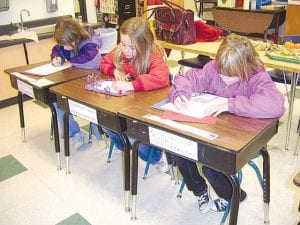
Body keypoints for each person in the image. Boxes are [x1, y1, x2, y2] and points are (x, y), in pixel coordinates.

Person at [168, 33, 285, 213]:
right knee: (180, 147)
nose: (223, 78)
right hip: (213, 129)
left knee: (211, 165)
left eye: (230, 76)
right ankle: (200, 191)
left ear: (246, 67)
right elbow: (187, 78)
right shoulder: (214, 67)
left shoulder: (257, 76)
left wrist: (231, 104)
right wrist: (180, 94)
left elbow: (276, 104)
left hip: (240, 139)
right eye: (221, 72)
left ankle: (232, 195)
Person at [95, 17, 170, 171]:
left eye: (132, 47)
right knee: (106, 122)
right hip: (128, 105)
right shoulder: (120, 52)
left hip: (150, 108)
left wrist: (130, 85)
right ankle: (124, 144)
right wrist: (114, 70)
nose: (126, 50)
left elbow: (161, 78)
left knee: (141, 146)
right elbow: (103, 63)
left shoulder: (154, 54)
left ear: (145, 44)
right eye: (123, 44)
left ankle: (158, 155)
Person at [51, 16, 102, 150]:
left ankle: (101, 132)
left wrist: (71, 62)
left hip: (91, 83)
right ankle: (74, 133)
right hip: (72, 81)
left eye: (66, 44)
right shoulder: (66, 43)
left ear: (75, 37)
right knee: (57, 100)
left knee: (87, 103)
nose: (64, 47)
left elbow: (89, 59)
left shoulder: (90, 44)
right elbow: (57, 49)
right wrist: (56, 57)